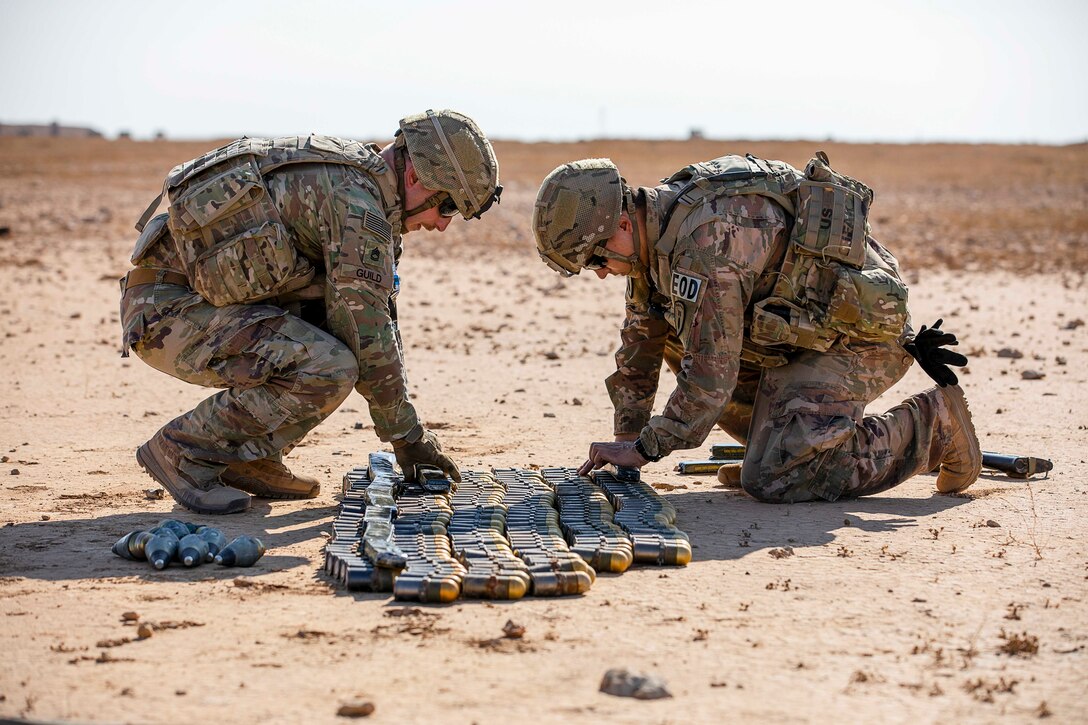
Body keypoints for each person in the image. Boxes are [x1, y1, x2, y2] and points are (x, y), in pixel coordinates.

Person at [533, 153, 980, 503]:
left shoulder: (705, 242)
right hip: (794, 337)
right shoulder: (656, 235)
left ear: (623, 223)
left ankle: (933, 424)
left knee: (774, 477)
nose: (600, 273)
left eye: (596, 258)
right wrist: (627, 439)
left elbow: (712, 374)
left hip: (858, 339)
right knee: (674, 330)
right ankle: (784, 438)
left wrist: (648, 447)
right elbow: (641, 346)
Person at [120, 110, 501, 514]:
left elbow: (378, 319)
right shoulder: (357, 206)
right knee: (329, 365)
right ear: (416, 180)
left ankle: (248, 456)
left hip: (197, 304)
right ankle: (183, 449)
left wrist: (403, 429)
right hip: (168, 312)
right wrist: (407, 438)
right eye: (446, 208)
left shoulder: (364, 188)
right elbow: (366, 333)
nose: (443, 225)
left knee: (328, 337)